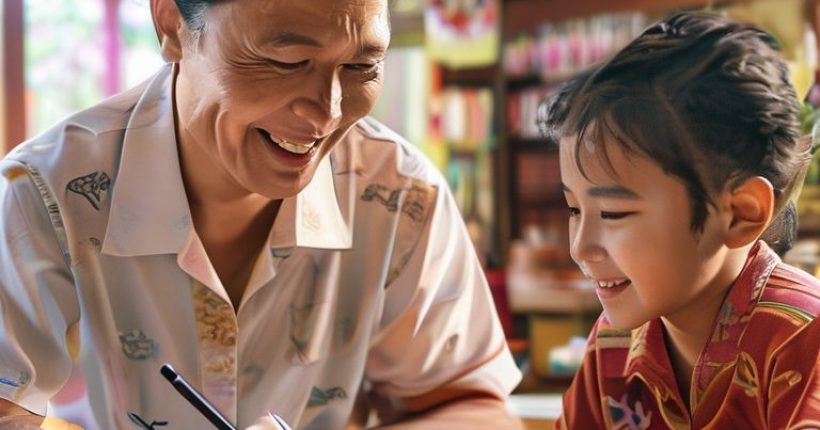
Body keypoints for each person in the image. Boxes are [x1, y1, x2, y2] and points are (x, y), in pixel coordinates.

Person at [0, 0, 523, 428]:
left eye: (361, 67)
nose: (327, 111)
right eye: (287, 61)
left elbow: (471, 407)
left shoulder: (396, 197)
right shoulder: (45, 195)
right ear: (172, 23)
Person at [539, 11, 820, 429]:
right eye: (574, 210)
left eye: (613, 213)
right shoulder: (612, 345)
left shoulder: (804, 341)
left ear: (742, 212)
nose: (580, 247)